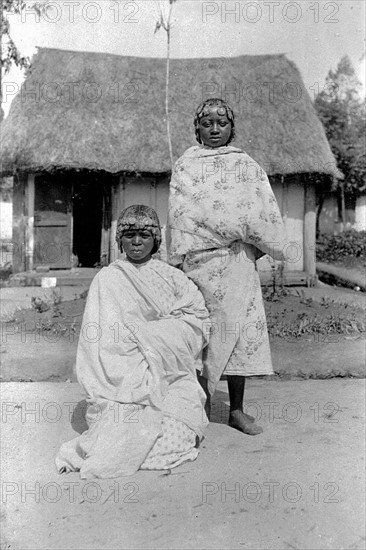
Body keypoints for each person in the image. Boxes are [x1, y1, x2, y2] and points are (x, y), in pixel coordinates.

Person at [56, 205, 210, 479]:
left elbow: (197, 319)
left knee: (178, 431)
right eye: (129, 235)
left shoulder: (173, 277)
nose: (136, 242)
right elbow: (101, 340)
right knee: (122, 430)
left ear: (156, 240)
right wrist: (141, 339)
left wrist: (152, 334)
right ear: (120, 240)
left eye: (144, 235)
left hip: (171, 375)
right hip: (122, 381)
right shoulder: (108, 279)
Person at [166, 98, 287, 436]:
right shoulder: (186, 165)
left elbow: (260, 210)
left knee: (241, 336)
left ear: (232, 128)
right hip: (200, 263)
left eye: (222, 122)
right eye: (207, 123)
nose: (215, 128)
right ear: (197, 128)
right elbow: (181, 213)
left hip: (237, 263)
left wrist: (252, 242)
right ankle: (198, 406)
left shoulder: (246, 165)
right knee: (201, 334)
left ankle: (236, 410)